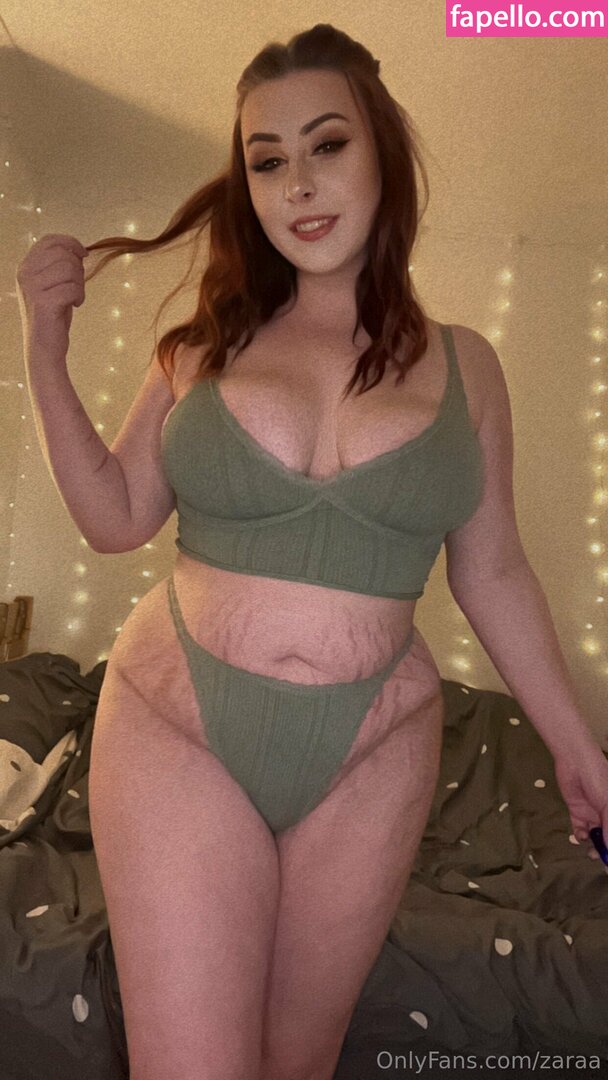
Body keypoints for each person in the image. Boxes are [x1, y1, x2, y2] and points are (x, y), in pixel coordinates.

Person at [16, 22, 608, 1080]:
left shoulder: (467, 366)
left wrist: (575, 747)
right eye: (267, 160)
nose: (297, 183)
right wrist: (43, 351)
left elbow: (492, 569)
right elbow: (114, 517)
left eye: (327, 144)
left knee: (300, 1064)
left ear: (382, 150)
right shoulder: (201, 345)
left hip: (372, 756)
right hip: (177, 725)